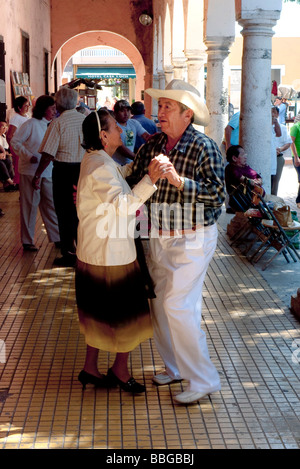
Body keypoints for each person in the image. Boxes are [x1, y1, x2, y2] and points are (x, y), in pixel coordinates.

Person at [129, 79, 226, 405]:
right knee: (160, 304)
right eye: (160, 106)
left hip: (194, 238)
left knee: (178, 305)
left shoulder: (205, 147)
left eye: (168, 107)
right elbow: (132, 181)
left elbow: (217, 196)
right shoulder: (151, 145)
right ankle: (174, 367)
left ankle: (204, 379)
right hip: (158, 236)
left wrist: (178, 180)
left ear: (187, 114)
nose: (160, 112)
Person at [75, 108, 169, 392]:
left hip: (99, 251)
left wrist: (135, 168)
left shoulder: (98, 160)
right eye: (115, 127)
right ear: (103, 136)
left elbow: (115, 179)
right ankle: (119, 369)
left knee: (98, 312)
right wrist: (150, 179)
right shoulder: (100, 166)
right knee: (126, 314)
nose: (121, 131)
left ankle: (91, 368)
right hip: (110, 255)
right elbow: (124, 205)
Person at [32, 87, 85, 267]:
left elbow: (47, 154)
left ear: (58, 103)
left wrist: (37, 174)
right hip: (83, 171)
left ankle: (69, 253)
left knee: (63, 212)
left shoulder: (57, 123)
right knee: (81, 211)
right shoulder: (85, 120)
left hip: (63, 172)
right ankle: (84, 251)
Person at [11, 95, 60, 252]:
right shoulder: (30, 124)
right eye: (51, 108)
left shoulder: (52, 125)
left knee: (50, 205)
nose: (54, 111)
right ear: (43, 109)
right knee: (30, 206)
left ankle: (57, 237)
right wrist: (27, 155)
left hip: (48, 171)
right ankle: (27, 240)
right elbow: (15, 142)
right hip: (30, 171)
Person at [225, 145, 264, 211]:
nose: (245, 156)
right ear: (234, 158)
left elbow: (258, 176)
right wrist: (253, 182)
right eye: (242, 154)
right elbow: (243, 179)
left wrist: (259, 180)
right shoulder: (231, 168)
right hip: (245, 201)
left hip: (256, 198)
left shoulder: (245, 166)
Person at [112, 99, 150, 165]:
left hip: (130, 164)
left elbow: (146, 136)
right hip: (116, 165)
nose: (126, 113)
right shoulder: (113, 126)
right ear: (115, 113)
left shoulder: (133, 123)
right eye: (122, 111)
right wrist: (138, 159)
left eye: (128, 110)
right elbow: (121, 148)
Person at [6, 96, 30, 186]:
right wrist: (13, 147)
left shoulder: (26, 116)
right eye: (25, 106)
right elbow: (10, 135)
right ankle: (19, 185)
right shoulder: (15, 118)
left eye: (28, 106)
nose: (27, 108)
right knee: (18, 168)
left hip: (25, 146)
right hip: (18, 147)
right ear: (19, 107)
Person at [271, 106, 292, 196]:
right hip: (267, 157)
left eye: (274, 112)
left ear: (277, 114)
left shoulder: (282, 127)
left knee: (275, 181)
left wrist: (280, 149)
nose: (272, 114)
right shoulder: (264, 127)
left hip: (278, 157)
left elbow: (288, 143)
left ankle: (273, 200)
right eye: (270, 112)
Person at [0, 121, 17, 192]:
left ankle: (10, 181)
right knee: (1, 163)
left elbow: (4, 148)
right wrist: (4, 153)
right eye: (2, 126)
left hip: (3, 154)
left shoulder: (4, 136)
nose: (5, 128)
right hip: (2, 155)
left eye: (6, 126)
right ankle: (9, 181)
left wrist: (5, 153)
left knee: (8, 161)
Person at [289, 118, 300, 208]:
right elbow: (291, 142)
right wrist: (296, 157)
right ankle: (299, 201)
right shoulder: (295, 127)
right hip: (298, 157)